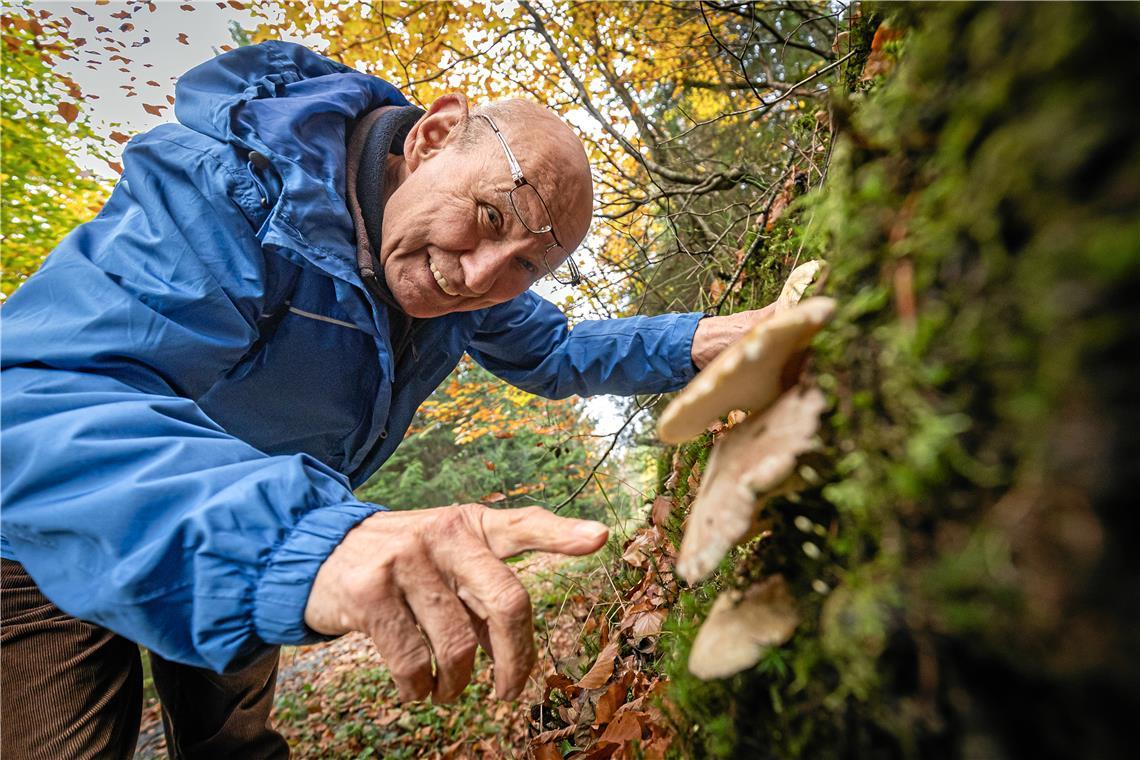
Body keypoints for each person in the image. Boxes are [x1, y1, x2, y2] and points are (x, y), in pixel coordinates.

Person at [0, 42, 770, 758]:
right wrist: (303, 539)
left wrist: (716, 341)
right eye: (491, 217)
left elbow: (557, 350)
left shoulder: (458, 281)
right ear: (433, 136)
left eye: (525, 266)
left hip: (263, 525)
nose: (479, 277)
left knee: (232, 743)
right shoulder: (229, 191)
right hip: (48, 529)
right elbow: (39, 396)